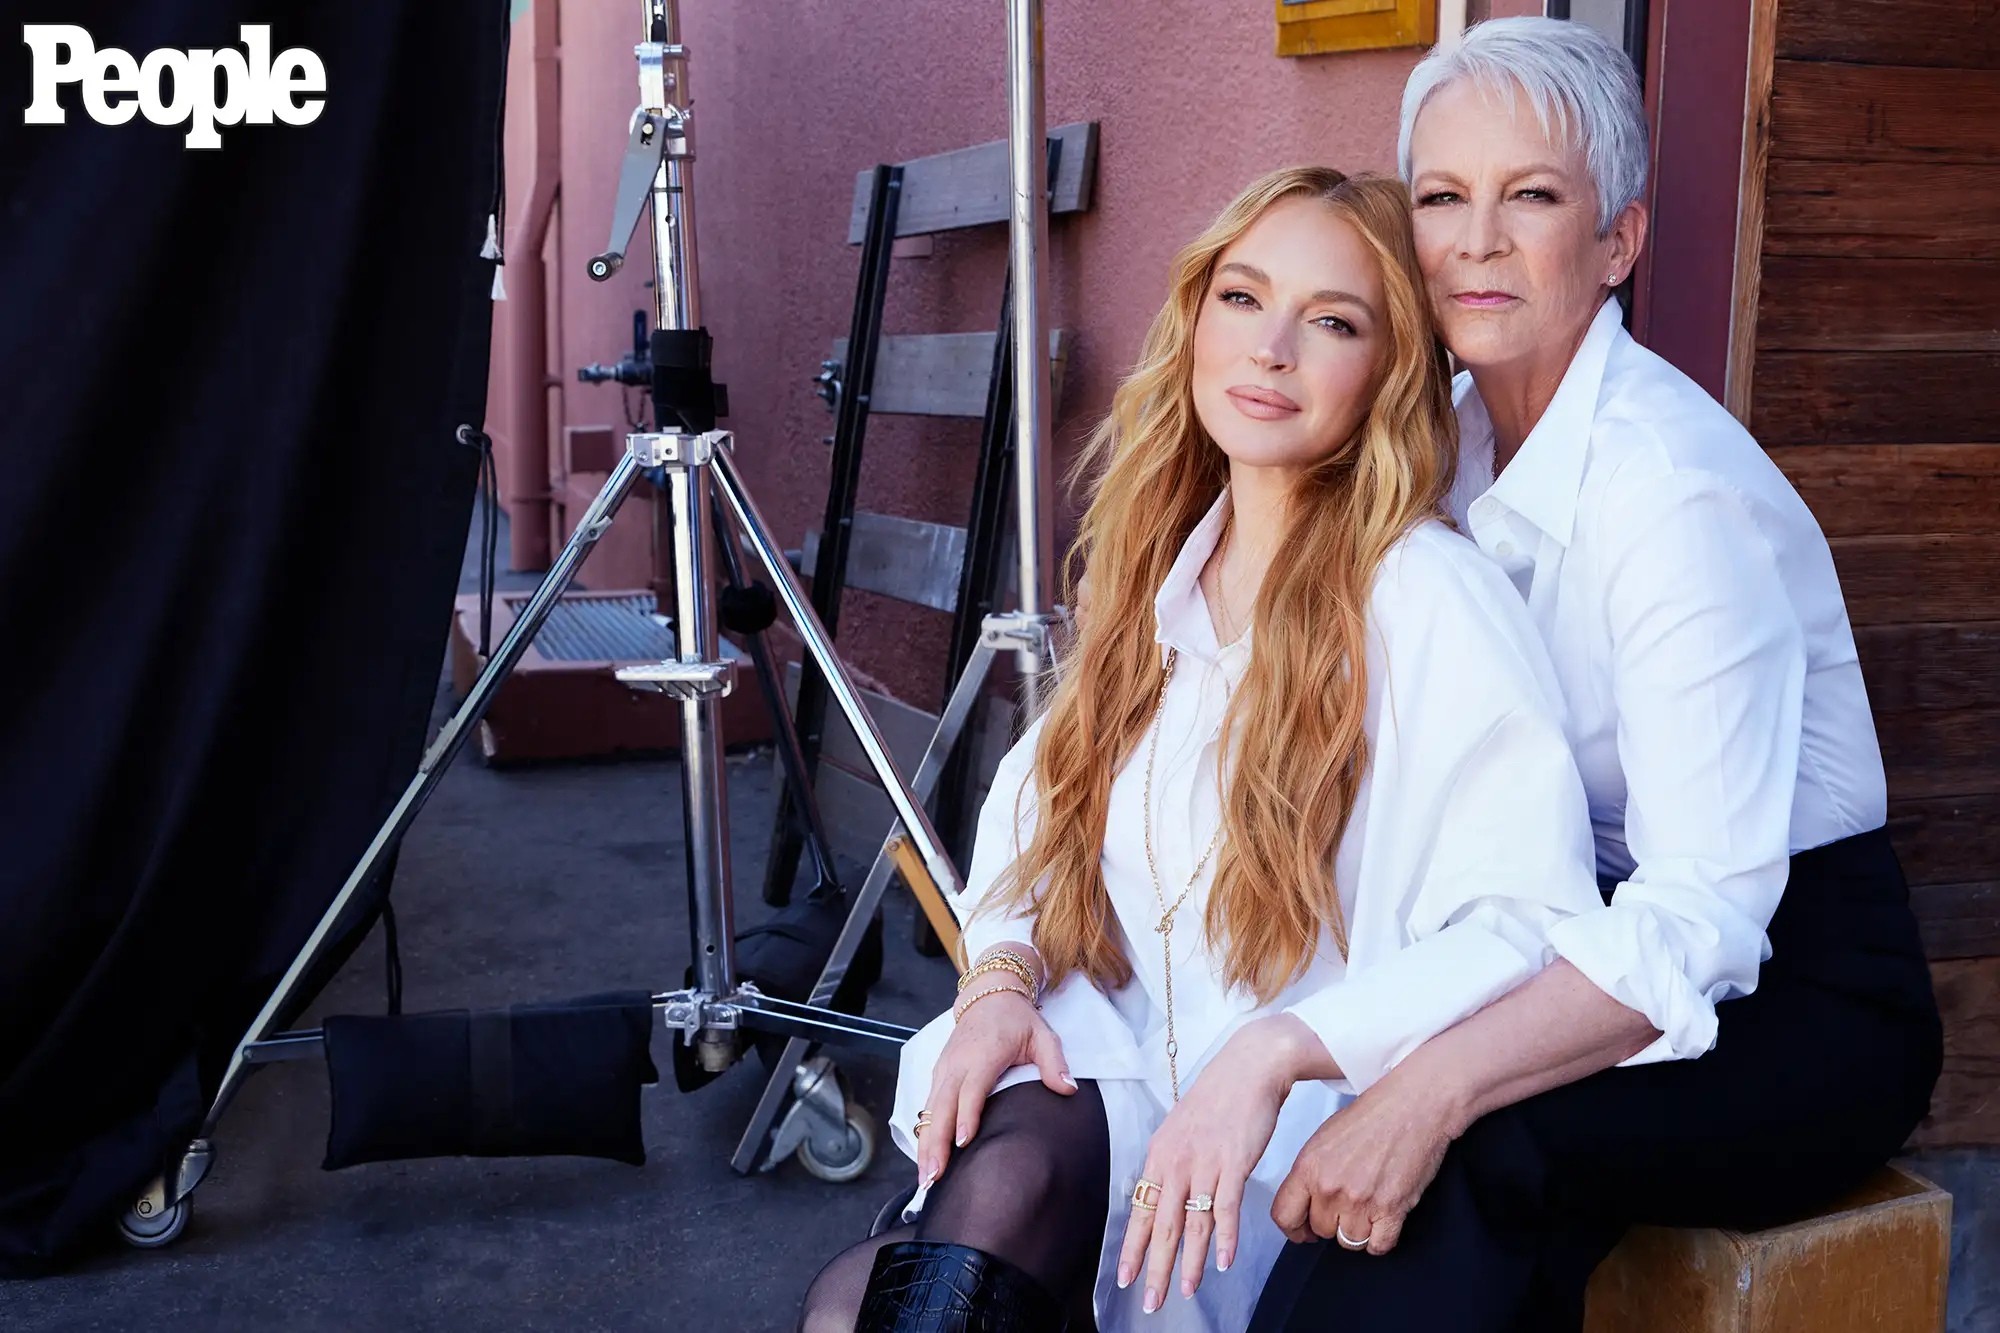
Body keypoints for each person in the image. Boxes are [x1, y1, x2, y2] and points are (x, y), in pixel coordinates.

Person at [797, 165, 1605, 1332]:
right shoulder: (1157, 565)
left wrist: (1279, 1048)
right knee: (863, 1302)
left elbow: (1524, 919)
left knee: (870, 1301)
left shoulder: (1427, 598)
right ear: (1193, 321)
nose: (1270, 348)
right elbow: (1033, 817)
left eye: (1331, 322)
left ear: (1387, 372)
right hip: (1104, 1084)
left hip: (1267, 1153)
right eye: (1242, 296)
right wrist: (997, 982)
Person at [1240, 20, 1943, 1331]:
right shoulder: (1442, 448)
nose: (1476, 241)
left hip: (1789, 990)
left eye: (1531, 197)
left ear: (1617, 242)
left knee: (1473, 1144)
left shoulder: (1670, 493)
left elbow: (1700, 918)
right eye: (1441, 197)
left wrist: (1435, 1082)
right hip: (1563, 930)